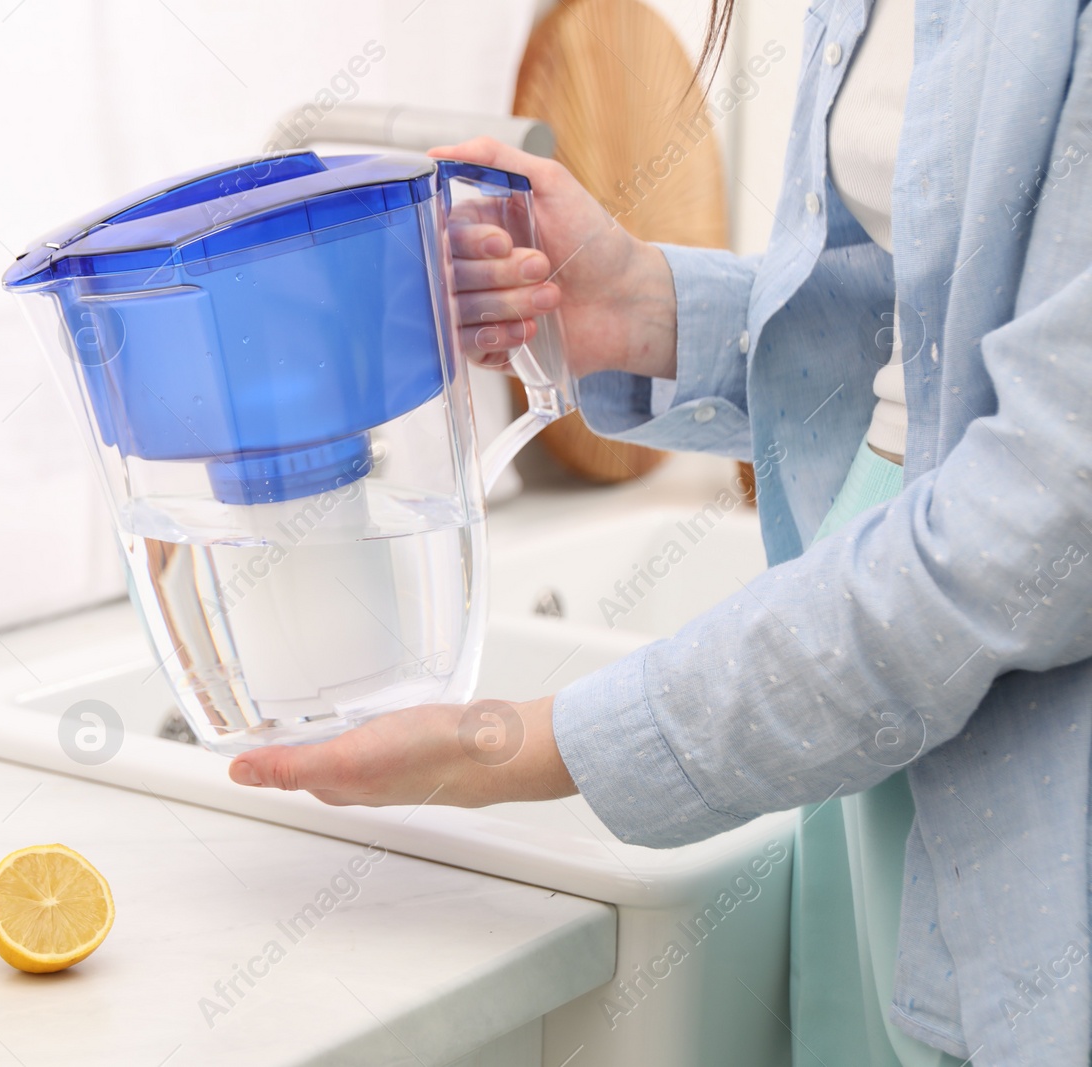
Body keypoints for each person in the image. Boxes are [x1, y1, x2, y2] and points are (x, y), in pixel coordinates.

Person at [226, 0, 1092, 1063]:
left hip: (1009, 720)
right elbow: (919, 325)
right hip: (873, 662)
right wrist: (641, 302)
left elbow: (1050, 513)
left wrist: (528, 744)